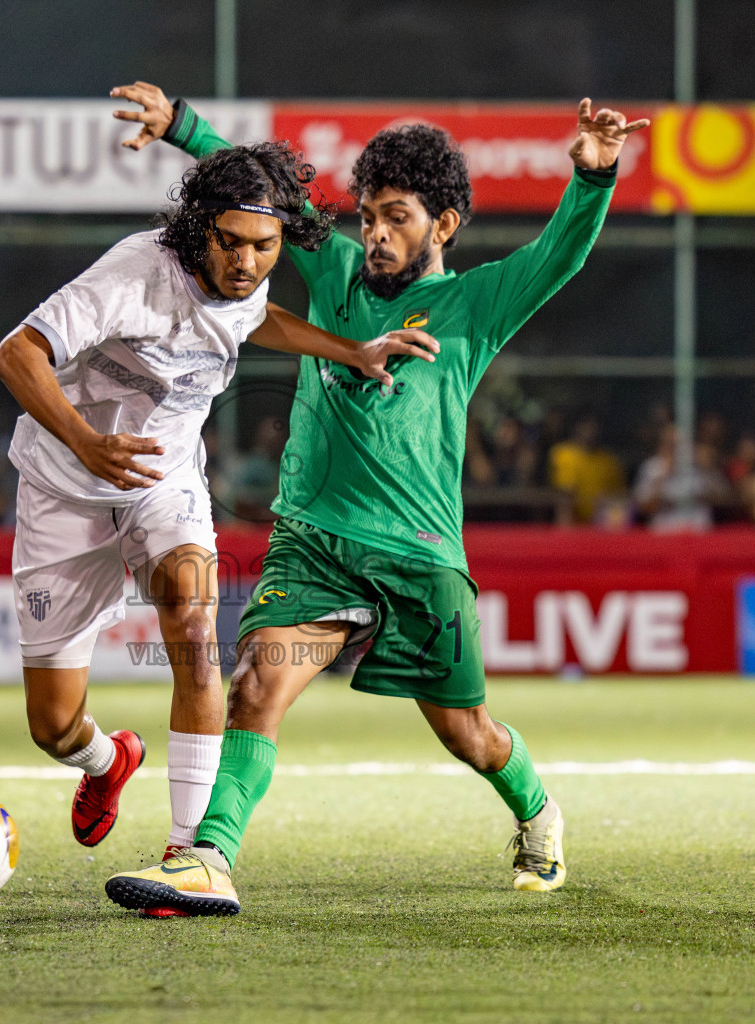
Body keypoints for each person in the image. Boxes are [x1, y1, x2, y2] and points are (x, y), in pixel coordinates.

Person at [103, 82, 645, 915]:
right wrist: (180, 123)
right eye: (368, 216)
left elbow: (560, 256)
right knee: (255, 684)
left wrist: (593, 178)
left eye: (397, 216)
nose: (377, 233)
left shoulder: (476, 303)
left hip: (421, 556)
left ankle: (537, 811)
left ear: (445, 225)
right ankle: (209, 856)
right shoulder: (337, 272)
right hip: (314, 543)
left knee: (468, 731)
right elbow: (260, 189)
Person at [0, 137, 438, 865]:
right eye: (231, 244)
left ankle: (187, 855)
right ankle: (109, 763)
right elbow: (16, 353)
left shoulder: (248, 278)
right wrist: (84, 441)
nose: (247, 264)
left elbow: (252, 317)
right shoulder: (134, 277)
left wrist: (349, 350)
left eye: (266, 247)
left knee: (197, 636)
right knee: (53, 727)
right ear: (201, 230)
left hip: (164, 486)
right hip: (64, 488)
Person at [546, 414, 622, 523]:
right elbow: (565, 495)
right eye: (585, 426)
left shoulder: (608, 460)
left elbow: (619, 497)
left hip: (603, 526)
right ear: (576, 427)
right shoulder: (563, 454)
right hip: (573, 526)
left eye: (594, 426)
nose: (591, 431)